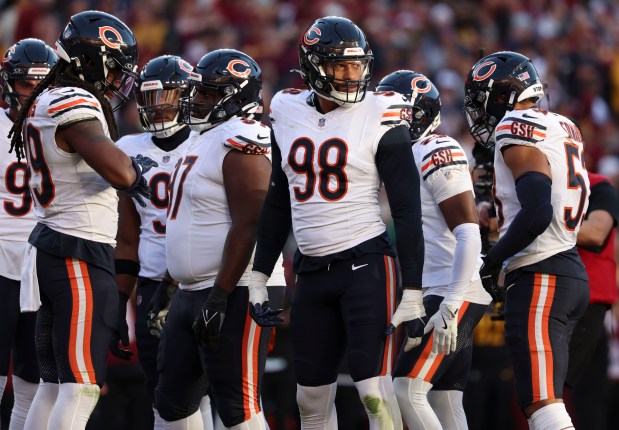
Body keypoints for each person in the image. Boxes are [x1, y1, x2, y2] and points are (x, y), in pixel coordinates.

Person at [250, 16, 425, 430]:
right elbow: (279, 197)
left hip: (366, 263)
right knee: (308, 399)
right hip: (311, 272)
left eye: (356, 65)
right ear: (312, 67)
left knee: (373, 393)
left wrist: (413, 290)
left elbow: (406, 207)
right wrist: (260, 274)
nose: (351, 75)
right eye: (338, 66)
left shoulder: (381, 111)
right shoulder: (287, 109)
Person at [7, 11, 154, 430]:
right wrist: (139, 169)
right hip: (79, 252)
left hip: (50, 246)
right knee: (81, 386)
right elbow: (121, 173)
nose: (117, 82)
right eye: (115, 70)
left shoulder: (44, 100)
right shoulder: (73, 100)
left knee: (51, 386)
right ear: (93, 63)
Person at [464, 51, 590, 429]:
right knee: (545, 402)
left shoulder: (514, 126)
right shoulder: (563, 125)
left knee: (542, 405)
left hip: (542, 273)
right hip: (566, 268)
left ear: (500, 95)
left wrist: (492, 262)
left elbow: (537, 211)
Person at [154, 48, 273, 430]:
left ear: (235, 97)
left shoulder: (243, 137)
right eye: (198, 91)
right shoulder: (202, 137)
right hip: (193, 290)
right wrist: (170, 283)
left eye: (207, 93)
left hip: (234, 288)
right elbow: (192, 221)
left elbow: (250, 223)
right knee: (172, 402)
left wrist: (221, 295)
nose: (196, 100)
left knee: (237, 405)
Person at [376, 70, 491, 429]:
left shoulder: (434, 147)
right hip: (441, 289)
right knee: (445, 399)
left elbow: (469, 232)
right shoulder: (407, 154)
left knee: (405, 389)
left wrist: (451, 304)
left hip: (452, 291)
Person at [113, 54, 216, 429]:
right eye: (150, 97)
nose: (157, 106)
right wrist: (119, 303)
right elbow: (127, 237)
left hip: (200, 282)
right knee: (164, 395)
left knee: (216, 390)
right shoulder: (127, 148)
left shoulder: (211, 141)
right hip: (153, 282)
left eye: (167, 95)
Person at [0, 37, 56, 430]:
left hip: (40, 268)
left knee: (33, 383)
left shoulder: (62, 123)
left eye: (42, 83)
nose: (33, 92)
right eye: (25, 83)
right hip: (1, 258)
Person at [565, 170, 619, 427]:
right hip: (551, 295)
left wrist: (540, 221)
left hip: (588, 301)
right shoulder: (539, 184)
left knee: (580, 393)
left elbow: (596, 232)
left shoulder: (599, 186)